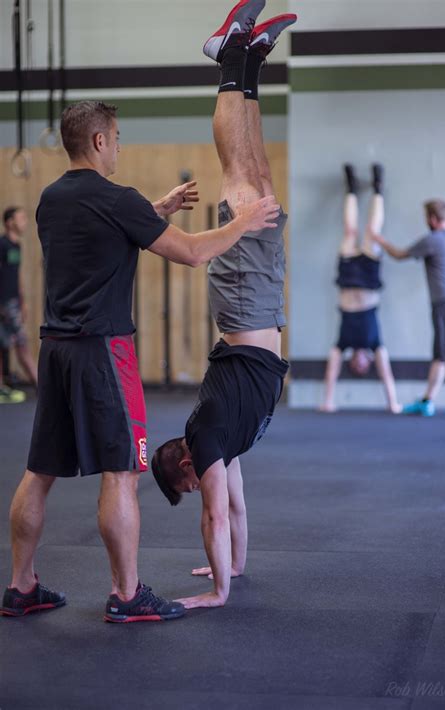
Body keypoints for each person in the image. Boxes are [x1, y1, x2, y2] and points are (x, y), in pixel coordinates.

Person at [0, 99, 279, 622]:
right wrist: (243, 221)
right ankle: (126, 595)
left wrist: (156, 210)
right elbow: (196, 252)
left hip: (55, 350)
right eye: (119, 138)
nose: (121, 147)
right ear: (100, 141)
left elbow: (100, 234)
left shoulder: (50, 199)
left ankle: (21, 586)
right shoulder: (116, 198)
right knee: (126, 470)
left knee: (38, 471)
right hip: (105, 351)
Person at [152, 0, 296, 610]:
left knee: (237, 172)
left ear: (184, 466)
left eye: (185, 485)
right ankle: (252, 62)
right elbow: (233, 510)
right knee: (259, 174)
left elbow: (213, 515)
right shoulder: (220, 448)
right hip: (259, 307)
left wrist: (217, 593)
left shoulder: (206, 442)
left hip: (245, 306)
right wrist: (232, 567)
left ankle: (229, 56)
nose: (198, 489)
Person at [375, 200, 445, 419]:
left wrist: (379, 240)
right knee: (441, 355)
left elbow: (400, 255)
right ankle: (427, 401)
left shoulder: (433, 240)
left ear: (432, 219)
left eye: (426, 217)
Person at [320, 164, 401, 413]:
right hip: (367, 281)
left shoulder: (342, 344)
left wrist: (328, 401)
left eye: (355, 367)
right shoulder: (375, 344)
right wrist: (393, 403)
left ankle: (351, 190)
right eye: (363, 367)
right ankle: (378, 188)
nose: (358, 364)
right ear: (368, 362)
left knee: (350, 231)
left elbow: (333, 366)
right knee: (371, 233)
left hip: (347, 280)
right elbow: (386, 373)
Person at [0, 207, 38, 404]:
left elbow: (17, 276)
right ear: (9, 222)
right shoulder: (2, 245)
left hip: (13, 302)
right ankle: (41, 386)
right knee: (21, 343)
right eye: (20, 218)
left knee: (5, 343)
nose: (24, 222)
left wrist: (22, 302)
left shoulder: (17, 246)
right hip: (4, 303)